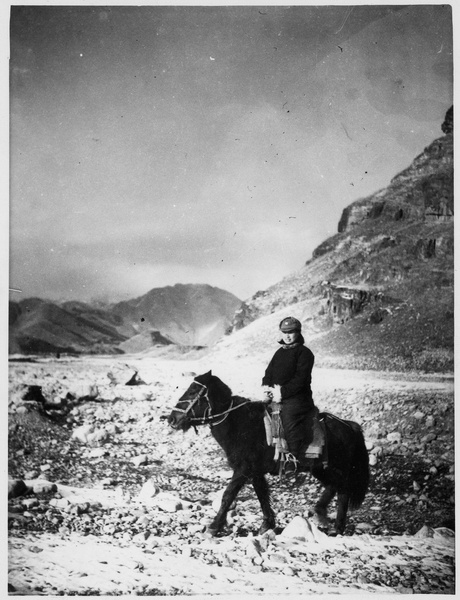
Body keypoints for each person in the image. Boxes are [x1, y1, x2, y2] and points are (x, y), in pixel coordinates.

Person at [261, 316, 317, 464]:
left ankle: (293, 458)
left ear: (298, 332)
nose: (287, 335)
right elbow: (269, 373)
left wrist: (281, 393)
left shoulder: (305, 353)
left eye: (291, 332)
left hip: (298, 399)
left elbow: (300, 379)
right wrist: (266, 387)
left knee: (289, 419)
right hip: (278, 396)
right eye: (284, 332)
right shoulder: (279, 352)